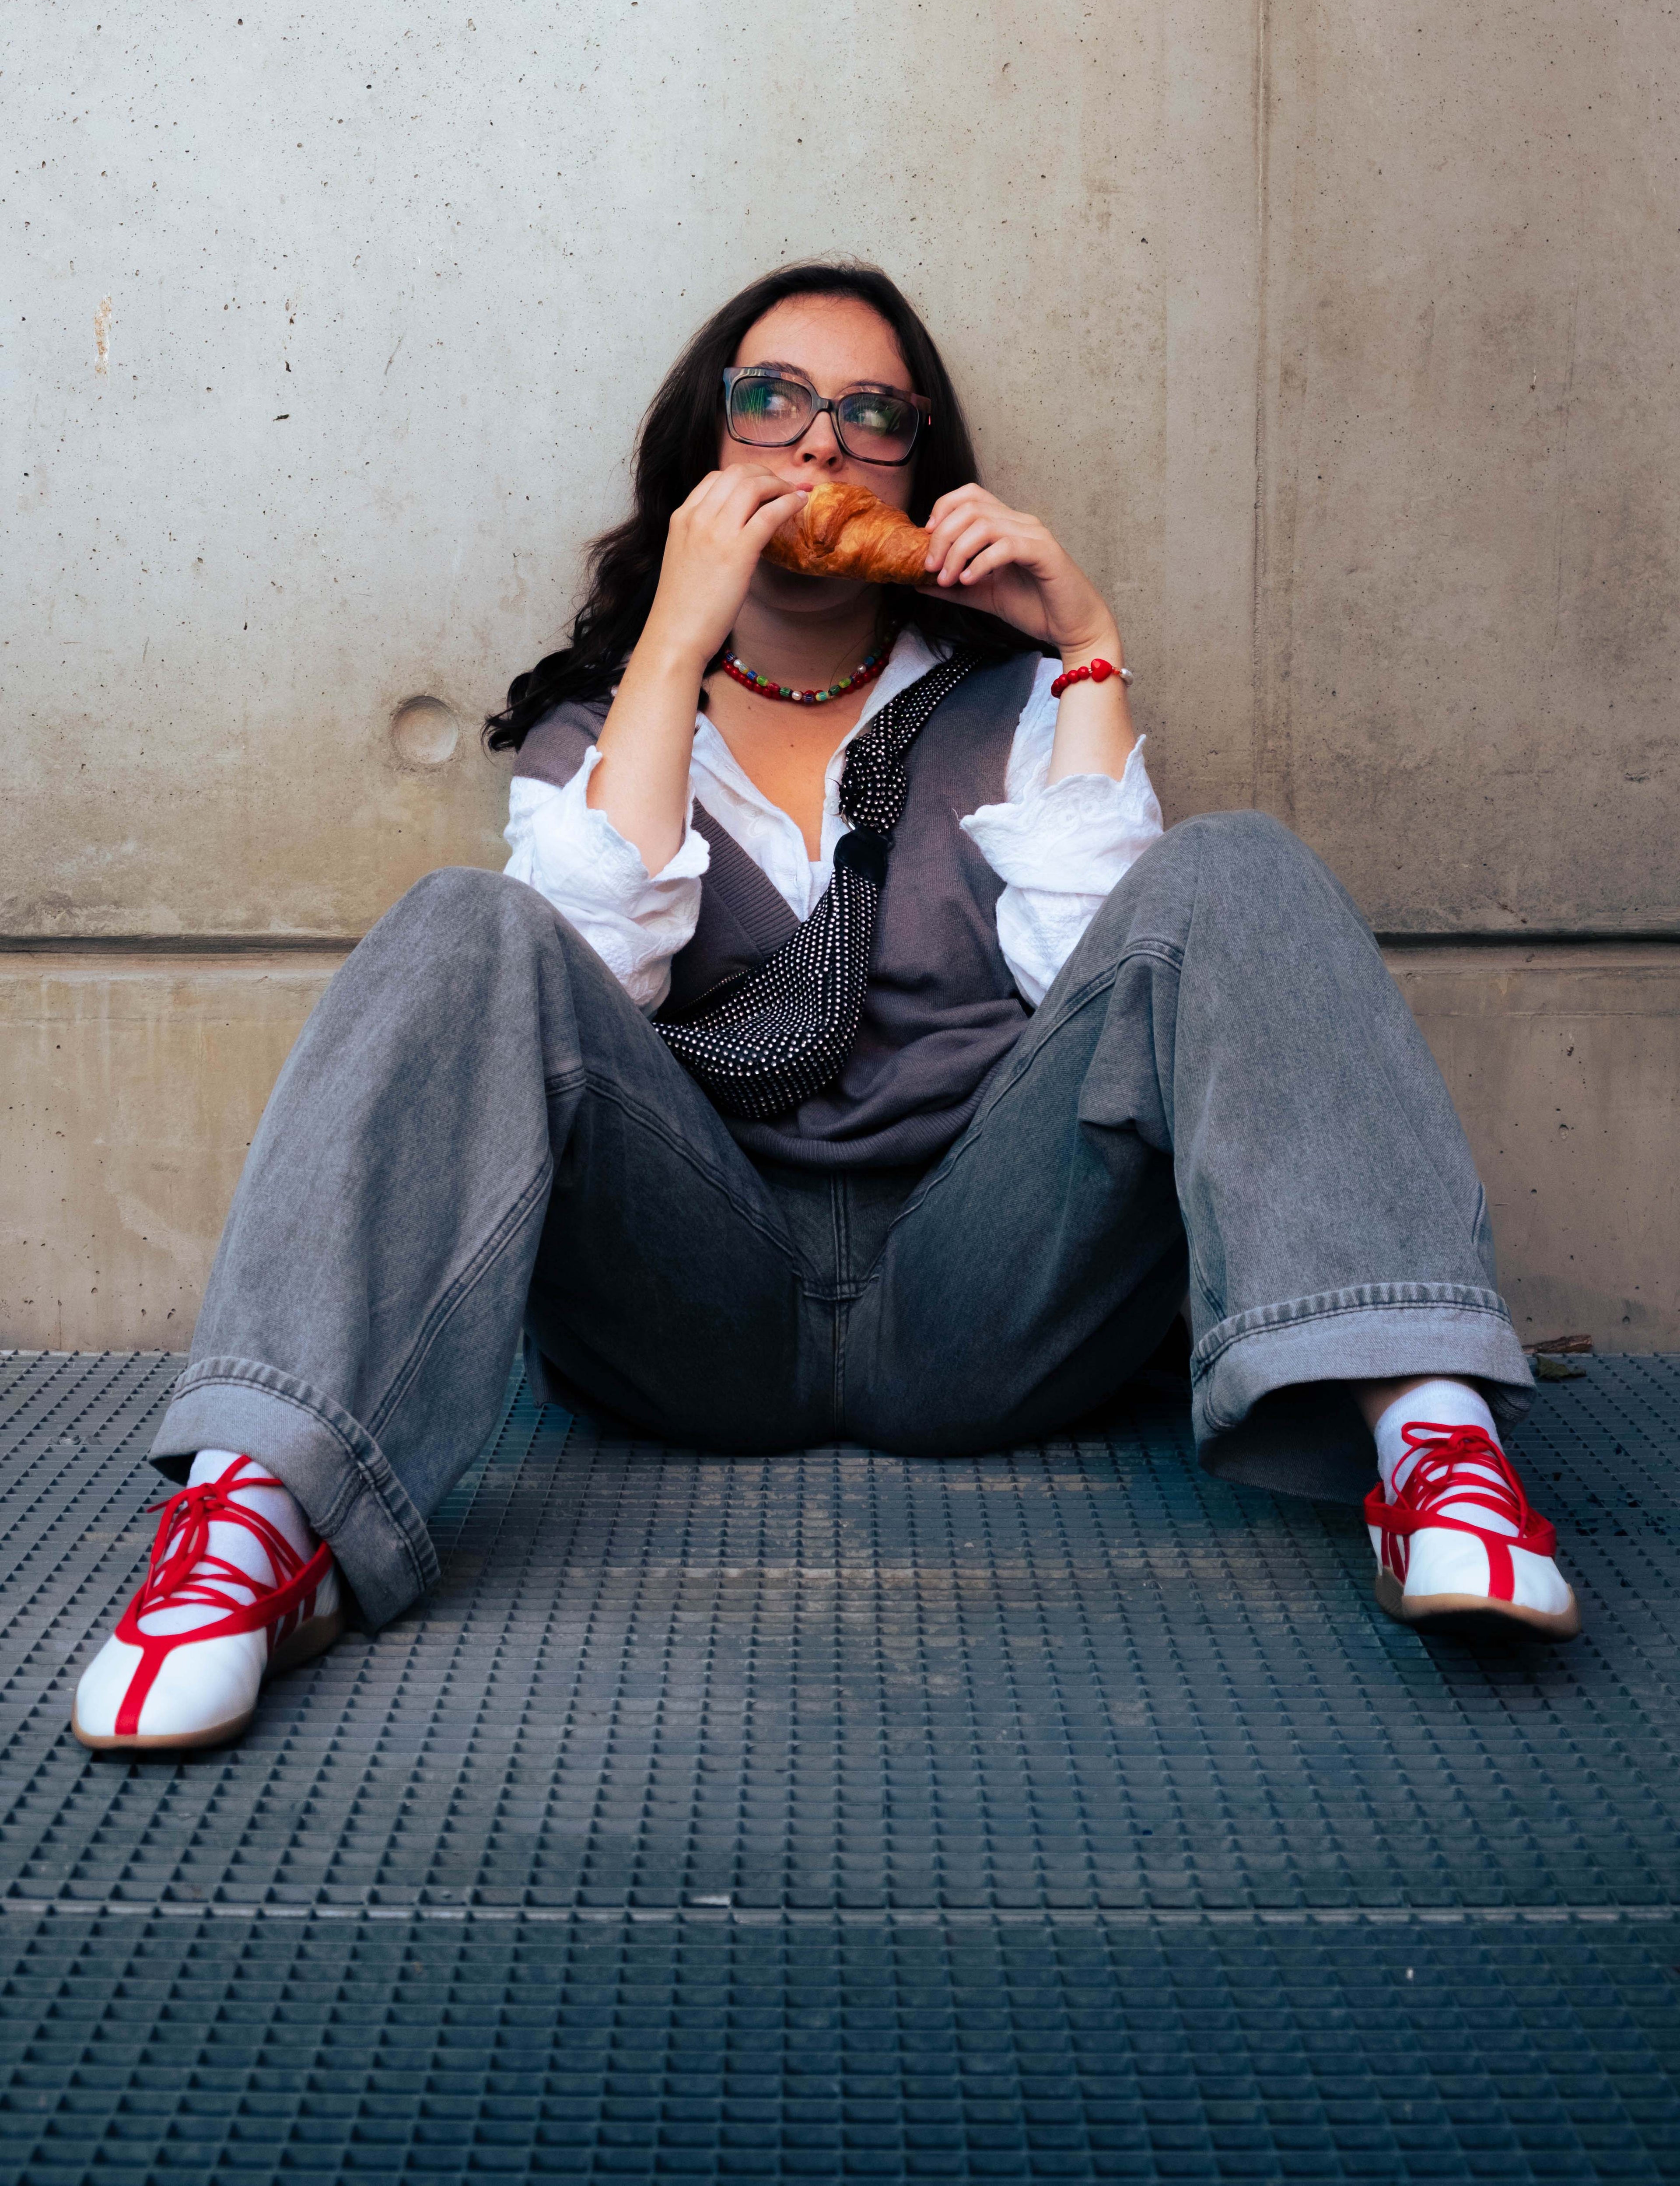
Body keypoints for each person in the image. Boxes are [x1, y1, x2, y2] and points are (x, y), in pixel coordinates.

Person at [73, 261, 1578, 1755]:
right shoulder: (598, 732)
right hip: (688, 1299)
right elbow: (570, 1003)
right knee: (473, 923)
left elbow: (1112, 994)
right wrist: (673, 640)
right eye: (772, 400)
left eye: (871, 414)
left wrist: (1087, 637)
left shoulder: (1021, 709)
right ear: (707, 443)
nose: (817, 445)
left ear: (919, 467)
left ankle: (1431, 1447)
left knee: (1230, 869)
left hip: (989, 1289)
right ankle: (260, 1527)